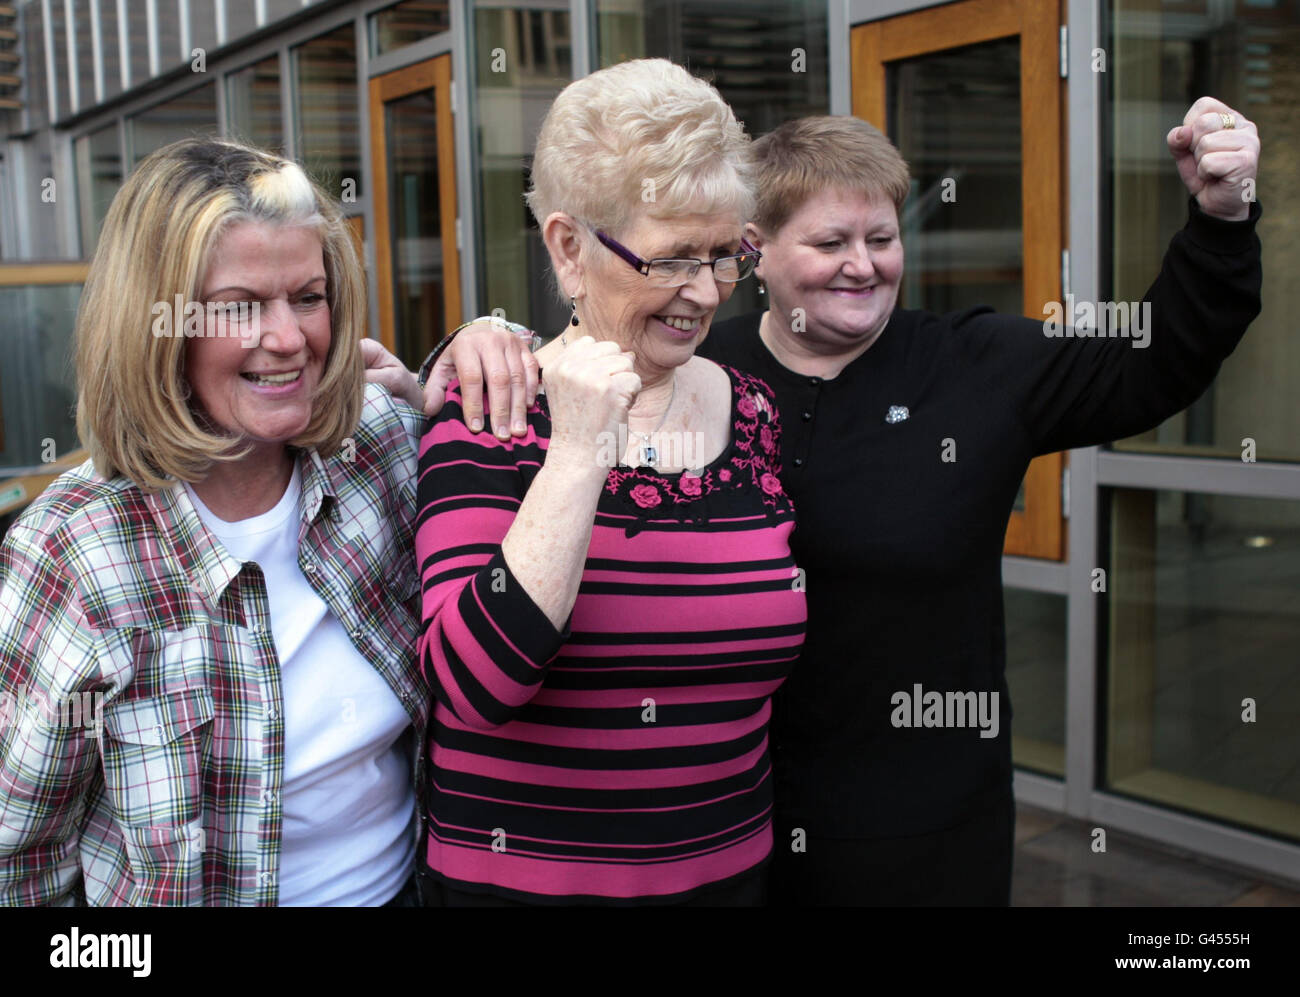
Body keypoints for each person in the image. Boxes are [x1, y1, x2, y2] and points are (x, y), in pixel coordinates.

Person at [444, 96, 1262, 904]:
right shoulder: (702, 372)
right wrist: (480, 339)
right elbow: (562, 377)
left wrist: (1220, 223)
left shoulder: (974, 367)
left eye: (882, 238)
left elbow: (1156, 362)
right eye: (831, 241)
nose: (863, 265)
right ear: (754, 250)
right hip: (740, 824)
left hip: (923, 826)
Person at [0, 137, 527, 907]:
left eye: (307, 297)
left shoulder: (378, 447)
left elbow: (564, 429)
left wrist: (487, 346)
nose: (287, 338)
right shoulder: (71, 551)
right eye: (238, 306)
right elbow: (18, 871)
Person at [413, 58, 806, 905]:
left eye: (723, 255)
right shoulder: (489, 412)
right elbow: (476, 682)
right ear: (569, 246)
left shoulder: (753, 411)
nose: (703, 293)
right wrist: (581, 451)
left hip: (730, 880)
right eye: (670, 260)